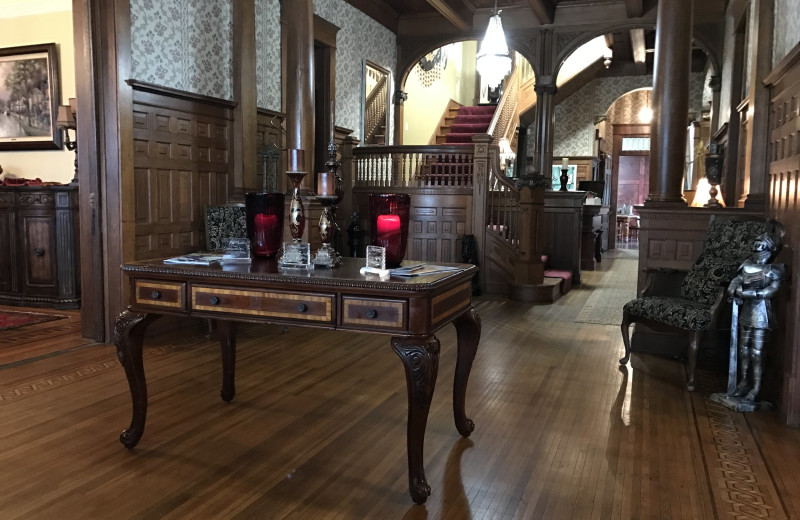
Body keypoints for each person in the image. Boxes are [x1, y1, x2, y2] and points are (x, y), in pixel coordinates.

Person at [726, 230, 785, 402]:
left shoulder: (773, 269)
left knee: (757, 352)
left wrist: (747, 293)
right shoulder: (746, 264)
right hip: (745, 310)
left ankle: (756, 387)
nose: (756, 247)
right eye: (755, 244)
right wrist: (733, 288)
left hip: (761, 312)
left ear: (769, 248)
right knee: (743, 348)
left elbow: (770, 291)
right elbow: (737, 279)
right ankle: (744, 382)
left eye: (761, 244)